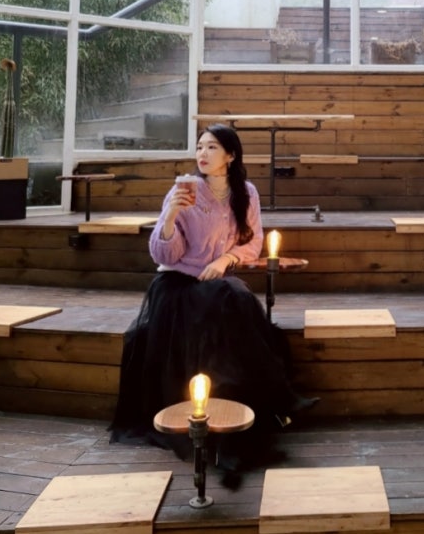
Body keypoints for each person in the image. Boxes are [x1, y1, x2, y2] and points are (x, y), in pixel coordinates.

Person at [110, 123, 316, 485]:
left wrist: (224, 260)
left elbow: (253, 243)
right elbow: (164, 254)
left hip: (216, 283)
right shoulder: (184, 191)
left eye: (212, 148)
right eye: (200, 147)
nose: (202, 154)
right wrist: (170, 215)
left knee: (233, 298)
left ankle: (259, 405)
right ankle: (271, 402)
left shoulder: (246, 193)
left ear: (230, 156)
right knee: (232, 298)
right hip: (178, 286)